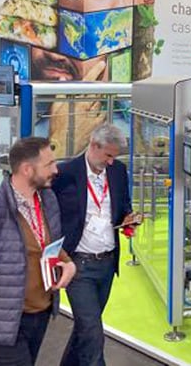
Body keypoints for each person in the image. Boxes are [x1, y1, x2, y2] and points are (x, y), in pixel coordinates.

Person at [0, 137, 77, 366]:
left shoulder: (48, 199)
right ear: (27, 169)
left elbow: (48, 244)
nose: (56, 170)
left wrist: (68, 263)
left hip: (38, 318)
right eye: (49, 164)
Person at [52, 123, 139, 366]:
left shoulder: (118, 171)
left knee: (85, 328)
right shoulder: (65, 173)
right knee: (92, 332)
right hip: (78, 265)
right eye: (108, 155)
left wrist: (128, 218)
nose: (110, 161)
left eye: (114, 157)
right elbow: (49, 212)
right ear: (93, 145)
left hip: (107, 265)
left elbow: (124, 204)